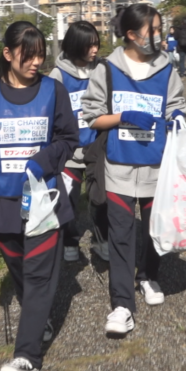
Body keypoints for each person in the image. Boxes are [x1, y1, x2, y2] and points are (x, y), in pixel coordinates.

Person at [0, 21, 79, 371]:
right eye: (28, 56)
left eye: (41, 55)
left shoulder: (53, 91)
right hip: (3, 204)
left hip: (44, 200)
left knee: (40, 275)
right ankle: (37, 318)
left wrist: (44, 160)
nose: (36, 63)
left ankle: (27, 355)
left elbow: (68, 138)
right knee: (21, 272)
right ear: (8, 54)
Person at [81, 4, 186, 335]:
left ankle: (149, 276)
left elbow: (176, 105)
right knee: (121, 237)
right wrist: (123, 117)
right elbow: (91, 116)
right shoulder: (107, 70)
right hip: (118, 167)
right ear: (131, 35)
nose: (158, 35)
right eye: (152, 30)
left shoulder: (166, 68)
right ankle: (122, 305)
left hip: (158, 168)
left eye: (159, 29)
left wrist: (178, 117)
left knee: (155, 229)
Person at [47, 20, 110, 263]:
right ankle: (70, 241)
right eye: (89, 45)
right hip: (70, 152)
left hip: (97, 146)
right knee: (68, 201)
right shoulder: (58, 75)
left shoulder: (102, 70)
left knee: (101, 199)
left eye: (96, 44)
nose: (95, 50)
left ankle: (101, 240)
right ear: (76, 45)